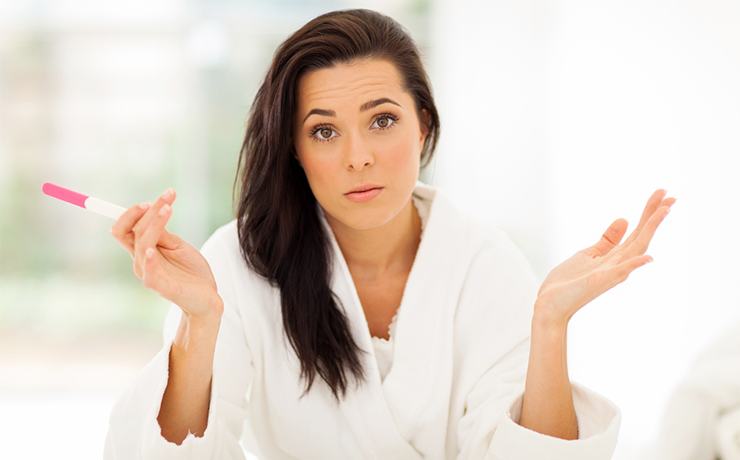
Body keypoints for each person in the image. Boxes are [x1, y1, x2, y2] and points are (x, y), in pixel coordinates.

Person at [104, 9, 674, 459]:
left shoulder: (486, 265)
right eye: (324, 131)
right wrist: (201, 322)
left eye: (382, 120)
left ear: (422, 123)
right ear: (294, 150)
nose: (358, 157)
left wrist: (550, 324)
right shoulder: (238, 262)